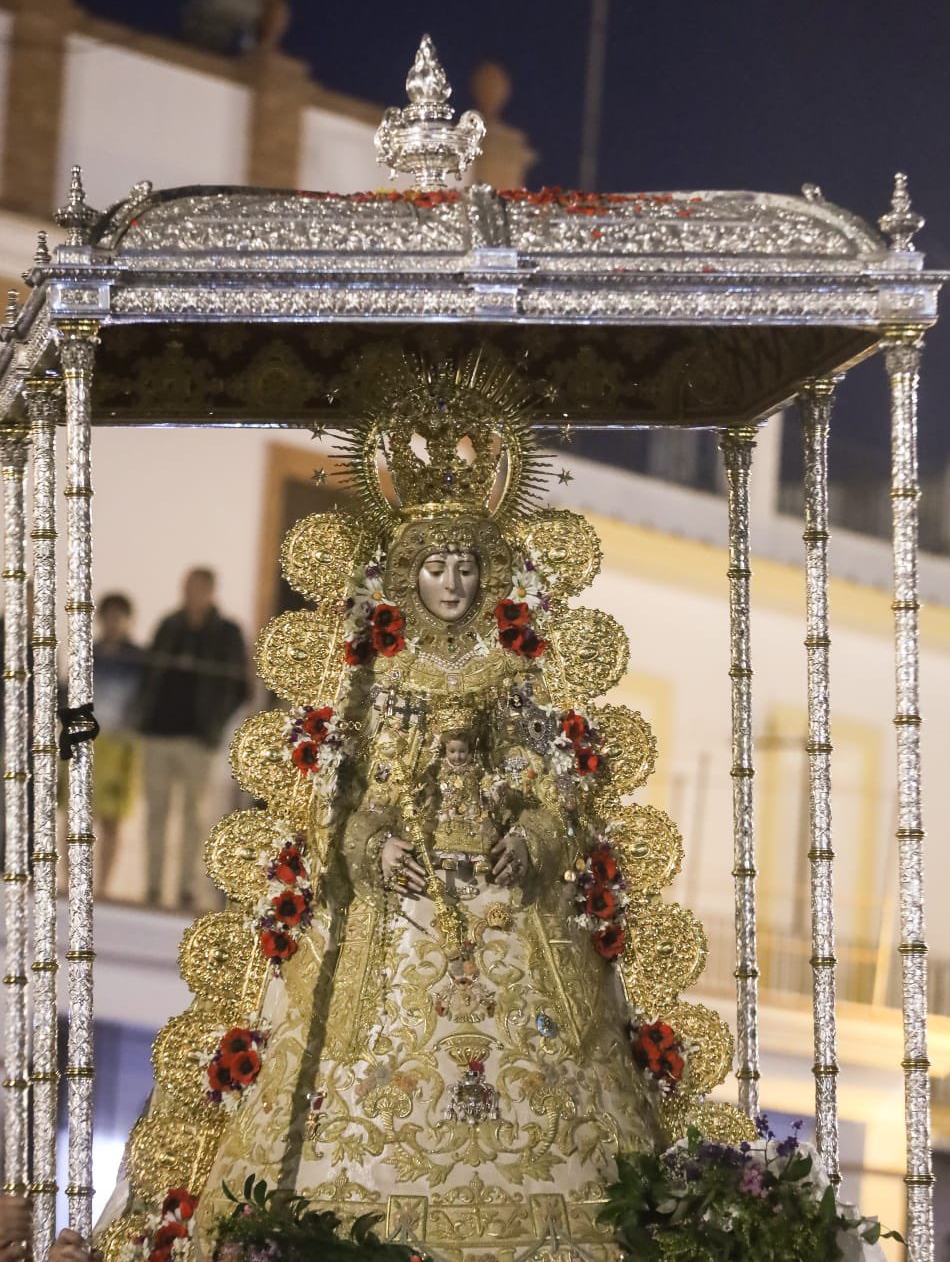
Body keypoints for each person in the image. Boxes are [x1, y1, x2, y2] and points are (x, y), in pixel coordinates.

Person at [96, 364, 738, 1262]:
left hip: (514, 917)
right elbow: (347, 798)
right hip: (393, 920)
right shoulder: (375, 678)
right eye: (435, 565)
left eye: (468, 565)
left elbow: (550, 790)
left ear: (489, 573)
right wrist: (373, 845)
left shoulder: (515, 676)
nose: (452, 581)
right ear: (408, 573)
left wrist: (533, 837)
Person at [137, 569, 249, 909]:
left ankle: (186, 886)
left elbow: (237, 685)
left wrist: (214, 721)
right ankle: (153, 886)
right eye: (187, 588)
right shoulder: (169, 625)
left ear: (211, 591)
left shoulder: (227, 633)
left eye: (198, 589)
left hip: (198, 737)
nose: (191, 594)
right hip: (159, 732)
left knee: (193, 815)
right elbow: (149, 672)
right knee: (156, 812)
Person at [90, 594, 144, 899]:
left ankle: (104, 886)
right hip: (89, 740)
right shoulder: (88, 652)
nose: (113, 622)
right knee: (78, 815)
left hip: (121, 744)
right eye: (108, 616)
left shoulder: (138, 657)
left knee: (112, 820)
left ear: (128, 620)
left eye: (119, 616)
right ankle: (73, 882)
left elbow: (145, 701)